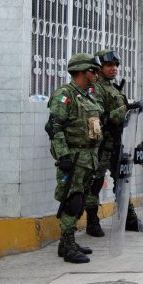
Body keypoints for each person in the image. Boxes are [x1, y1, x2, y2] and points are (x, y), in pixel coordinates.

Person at [45, 53, 103, 263]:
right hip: (75, 157)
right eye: (93, 71)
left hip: (89, 157)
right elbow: (54, 127)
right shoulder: (65, 95)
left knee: (80, 201)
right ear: (81, 72)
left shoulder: (87, 96)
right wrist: (63, 156)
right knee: (72, 201)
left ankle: (66, 243)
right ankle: (68, 246)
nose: (96, 75)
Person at [85, 49, 143, 238]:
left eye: (116, 65)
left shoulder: (113, 88)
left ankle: (128, 219)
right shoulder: (96, 89)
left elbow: (120, 117)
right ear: (99, 67)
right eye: (109, 65)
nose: (114, 68)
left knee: (122, 181)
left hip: (117, 143)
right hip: (102, 145)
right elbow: (99, 117)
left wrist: (130, 110)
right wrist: (126, 108)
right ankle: (92, 222)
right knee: (95, 183)